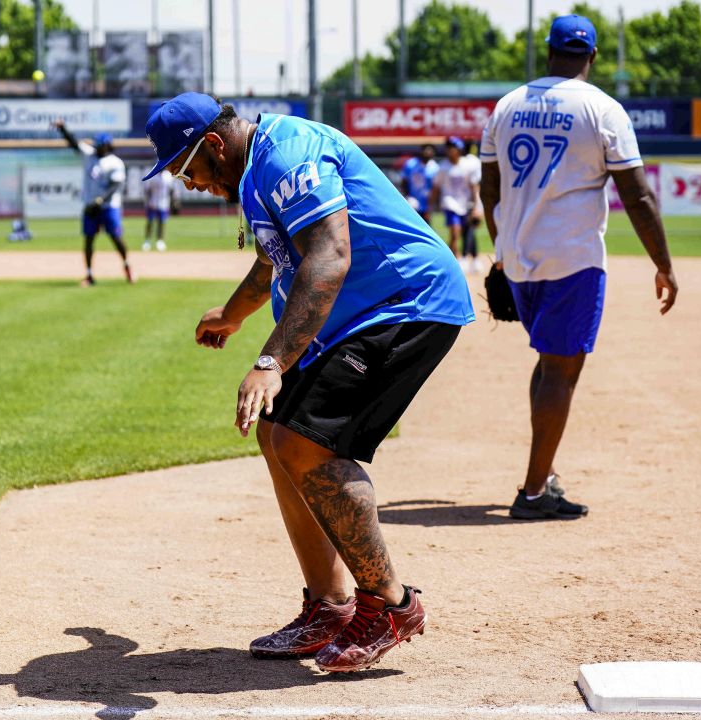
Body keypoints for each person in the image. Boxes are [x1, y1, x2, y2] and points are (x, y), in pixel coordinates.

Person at [142, 93, 475, 672]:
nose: (187, 183)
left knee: (304, 442)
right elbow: (277, 258)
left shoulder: (288, 153)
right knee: (277, 435)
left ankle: (390, 604)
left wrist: (269, 362)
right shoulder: (254, 171)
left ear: (214, 145)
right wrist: (233, 313)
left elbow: (329, 255)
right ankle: (331, 605)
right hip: (361, 314)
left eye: (185, 168)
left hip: (406, 302)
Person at [479, 15, 678, 520]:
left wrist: (502, 245)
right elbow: (636, 193)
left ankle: (540, 478)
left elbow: (489, 187)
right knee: (561, 371)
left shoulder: (506, 106)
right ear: (591, 57)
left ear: (548, 53)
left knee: (550, 363)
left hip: (521, 259)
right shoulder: (602, 109)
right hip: (572, 259)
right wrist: (663, 264)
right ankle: (532, 494)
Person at [53, 120, 134, 286]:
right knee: (89, 239)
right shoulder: (89, 154)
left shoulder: (115, 162)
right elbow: (74, 143)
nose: (96, 148)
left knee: (116, 238)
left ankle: (127, 266)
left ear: (107, 146)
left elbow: (116, 185)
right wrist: (63, 129)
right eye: (96, 145)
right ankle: (89, 275)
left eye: (100, 145)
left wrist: (101, 200)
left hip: (109, 207)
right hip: (90, 206)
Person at [430, 138, 484, 274]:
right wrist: (431, 204)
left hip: (465, 204)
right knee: (455, 231)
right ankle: (457, 260)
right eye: (448, 148)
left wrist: (477, 205)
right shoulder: (443, 167)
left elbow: (474, 187)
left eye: (452, 148)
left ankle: (449, 259)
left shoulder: (467, 165)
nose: (450, 151)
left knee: (466, 232)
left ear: (458, 150)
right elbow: (436, 188)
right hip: (449, 203)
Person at [397, 144, 440, 222]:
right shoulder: (411, 164)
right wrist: (407, 197)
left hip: (425, 204)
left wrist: (430, 207)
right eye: (426, 150)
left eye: (430, 150)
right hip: (412, 202)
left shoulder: (435, 168)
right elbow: (404, 181)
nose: (428, 152)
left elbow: (435, 189)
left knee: (425, 229)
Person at [142, 168, 176, 251]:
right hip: (152, 202)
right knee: (150, 221)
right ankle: (147, 240)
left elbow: (171, 190)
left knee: (161, 222)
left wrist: (173, 201)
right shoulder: (152, 174)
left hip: (164, 203)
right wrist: (147, 201)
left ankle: (160, 241)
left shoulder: (168, 176)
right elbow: (147, 190)